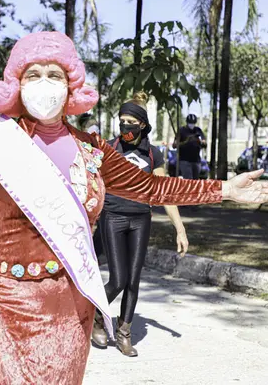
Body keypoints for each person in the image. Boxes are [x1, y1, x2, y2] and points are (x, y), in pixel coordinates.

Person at [0, 31, 268, 385]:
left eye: (55, 73)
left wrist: (225, 189)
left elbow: (147, 187)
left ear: (72, 85)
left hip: (71, 302)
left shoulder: (93, 150)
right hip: (8, 299)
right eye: (34, 74)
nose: (45, 83)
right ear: (16, 84)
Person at [92, 92, 189, 357]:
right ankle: (97, 316)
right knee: (119, 279)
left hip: (140, 219)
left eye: (131, 122)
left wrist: (179, 229)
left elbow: (166, 193)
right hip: (113, 217)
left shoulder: (152, 154)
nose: (125, 126)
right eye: (122, 121)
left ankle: (124, 332)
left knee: (133, 280)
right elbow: (93, 185)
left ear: (143, 125)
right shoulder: (109, 149)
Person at [173, 114, 207, 179]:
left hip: (196, 161)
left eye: (193, 123)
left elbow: (204, 143)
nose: (192, 125)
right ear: (187, 122)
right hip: (185, 161)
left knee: (195, 181)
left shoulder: (198, 130)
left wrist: (200, 141)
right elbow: (174, 145)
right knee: (189, 181)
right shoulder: (181, 130)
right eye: (190, 123)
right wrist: (186, 141)